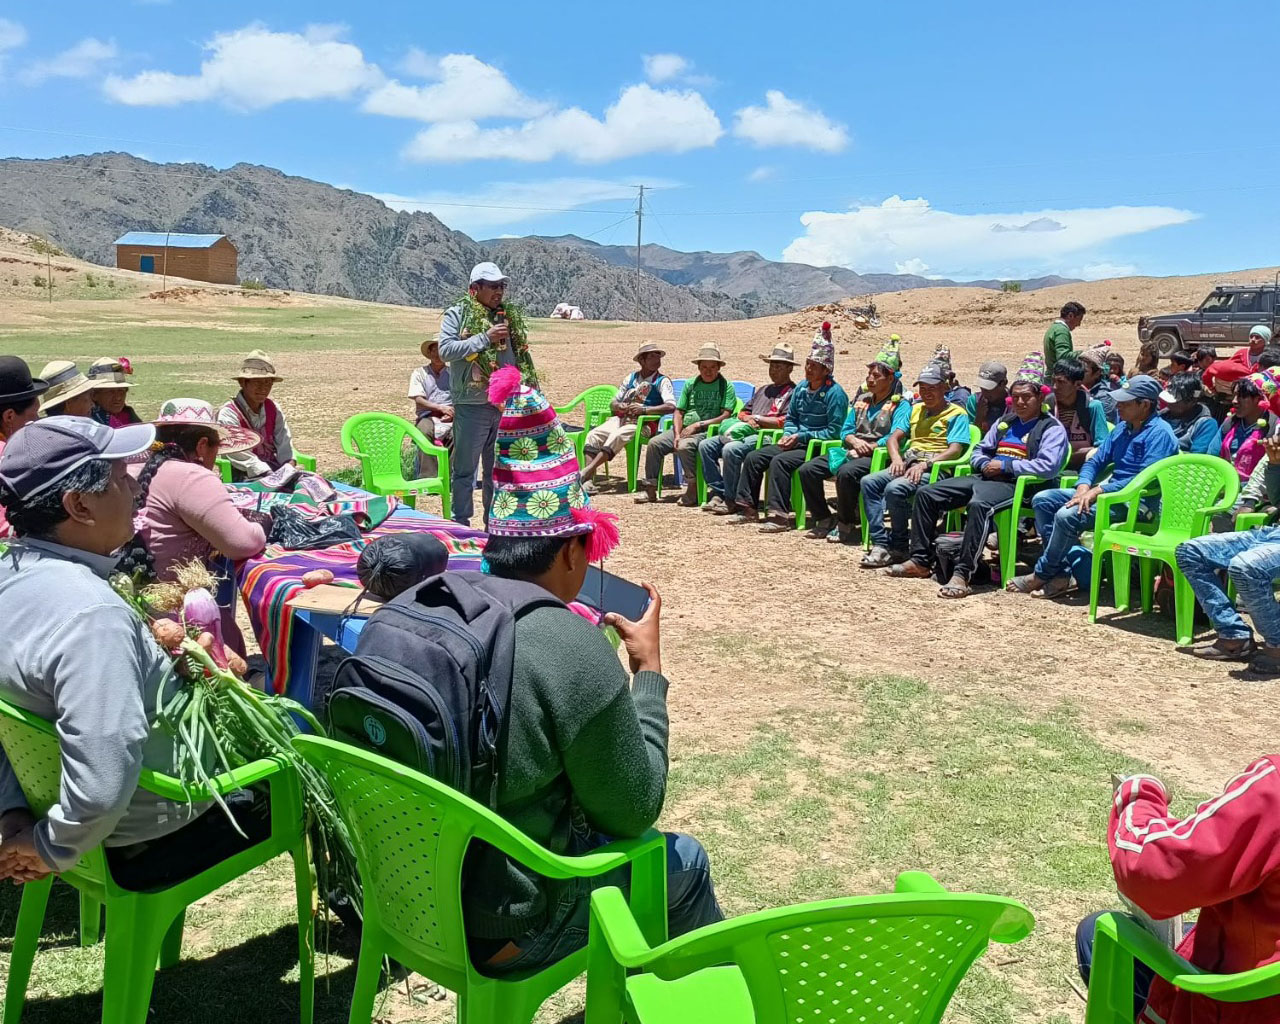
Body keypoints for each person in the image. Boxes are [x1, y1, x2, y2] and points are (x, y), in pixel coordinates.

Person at [470, 367, 722, 975]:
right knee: (683, 861)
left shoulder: (436, 605)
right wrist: (648, 673)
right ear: (571, 549)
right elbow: (634, 809)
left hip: (415, 893)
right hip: (511, 923)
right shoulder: (570, 645)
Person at [0, 418, 272, 892]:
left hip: (57, 812)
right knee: (312, 756)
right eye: (119, 479)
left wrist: (13, 813)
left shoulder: (11, 574)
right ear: (79, 505)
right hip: (152, 833)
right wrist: (50, 846)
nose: (134, 489)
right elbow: (103, 785)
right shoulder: (93, 616)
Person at [1076, 760, 1280, 1024]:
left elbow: (1151, 871)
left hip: (1231, 1005)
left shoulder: (1272, 792)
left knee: (1094, 933)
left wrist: (1138, 794)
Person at [886, 353, 1068, 597]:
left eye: (1026, 397)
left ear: (1041, 397)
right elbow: (980, 449)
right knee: (927, 493)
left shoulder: (1051, 428)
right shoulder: (1006, 422)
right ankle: (920, 560)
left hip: (1018, 485)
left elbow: (1048, 466)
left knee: (980, 505)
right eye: (1016, 397)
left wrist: (1006, 467)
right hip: (986, 476)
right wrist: (984, 463)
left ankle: (963, 574)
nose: (1020, 402)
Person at [1007, 374, 1179, 598]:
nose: (1118, 406)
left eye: (1125, 402)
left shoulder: (1160, 433)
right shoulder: (1122, 428)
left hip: (1137, 502)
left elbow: (1144, 478)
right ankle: (1060, 573)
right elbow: (1095, 461)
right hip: (1110, 494)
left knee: (1067, 515)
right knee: (1043, 500)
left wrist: (1099, 490)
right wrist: (1083, 486)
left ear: (1145, 405)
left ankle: (1042, 574)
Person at [125, 399, 266, 650]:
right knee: (228, 635)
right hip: (174, 620)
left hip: (129, 604)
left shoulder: (130, 467)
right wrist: (262, 523)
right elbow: (243, 543)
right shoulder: (191, 476)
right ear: (202, 446)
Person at [438, 261, 538, 527]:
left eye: (501, 286)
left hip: (505, 406)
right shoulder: (458, 314)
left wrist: (528, 386)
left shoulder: (506, 316)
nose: (499, 291)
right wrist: (485, 338)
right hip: (473, 404)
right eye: (493, 286)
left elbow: (519, 355)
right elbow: (445, 350)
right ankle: (461, 524)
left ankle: (493, 525)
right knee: (465, 470)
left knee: (498, 470)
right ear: (475, 288)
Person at [1175, 433, 1280, 672]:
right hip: (1273, 532)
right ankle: (1234, 635)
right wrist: (1275, 465)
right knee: (1190, 551)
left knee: (1246, 566)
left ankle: (1277, 643)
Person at [730, 328, 849, 531]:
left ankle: (779, 516)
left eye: (814, 366)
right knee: (754, 457)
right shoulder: (801, 389)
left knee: (780, 462)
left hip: (817, 447)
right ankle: (748, 508)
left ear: (826, 370)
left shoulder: (835, 394)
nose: (808, 369)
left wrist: (801, 436)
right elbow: (792, 418)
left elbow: (834, 431)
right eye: (808, 364)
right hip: (795, 441)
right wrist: (788, 434)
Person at [794, 337, 909, 542]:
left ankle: (845, 522)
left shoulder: (900, 405)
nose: (870, 379)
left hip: (877, 456)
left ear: (890, 378)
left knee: (846, 473)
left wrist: (871, 446)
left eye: (876, 376)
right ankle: (823, 517)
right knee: (808, 470)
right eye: (869, 375)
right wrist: (854, 441)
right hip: (852, 450)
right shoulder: (862, 400)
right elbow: (845, 430)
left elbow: (896, 436)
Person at [859, 362, 971, 568]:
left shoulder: (957, 414)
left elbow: (955, 450)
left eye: (932, 388)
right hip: (909, 463)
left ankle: (899, 545)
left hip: (936, 469)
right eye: (923, 388)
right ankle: (881, 543)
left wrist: (925, 464)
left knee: (895, 488)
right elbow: (893, 438)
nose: (926, 393)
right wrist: (896, 459)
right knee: (869, 482)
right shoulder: (915, 409)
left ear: (944, 388)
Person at [700, 342, 796, 513]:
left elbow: (785, 421)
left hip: (768, 436)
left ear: (790, 369)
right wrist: (748, 418)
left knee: (731, 449)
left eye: (778, 367)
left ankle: (731, 499)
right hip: (746, 430)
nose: (773, 371)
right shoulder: (763, 390)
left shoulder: (793, 393)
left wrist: (758, 419)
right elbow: (743, 412)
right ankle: (719, 491)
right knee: (706, 445)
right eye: (771, 366)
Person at [637, 344, 734, 506]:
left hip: (708, 431)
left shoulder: (726, 386)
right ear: (698, 367)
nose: (708, 371)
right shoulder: (691, 384)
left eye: (712, 367)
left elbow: (726, 415)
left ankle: (692, 485)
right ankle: (650, 488)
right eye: (704, 367)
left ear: (718, 368)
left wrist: (698, 425)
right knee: (655, 443)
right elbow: (679, 411)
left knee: (684, 446)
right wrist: (676, 434)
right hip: (683, 429)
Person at [579, 343, 676, 486]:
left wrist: (645, 410)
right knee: (594, 435)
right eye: (651, 357)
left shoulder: (662, 381)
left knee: (618, 435)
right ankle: (588, 481)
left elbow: (671, 406)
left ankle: (587, 471)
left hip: (644, 424)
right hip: (622, 419)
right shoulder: (631, 378)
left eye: (658, 357)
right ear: (641, 360)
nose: (657, 360)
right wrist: (619, 406)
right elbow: (613, 402)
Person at [218, 350, 297, 481]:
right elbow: (238, 453)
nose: (263, 388)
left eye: (268, 383)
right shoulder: (229, 414)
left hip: (274, 471)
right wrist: (269, 475)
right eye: (257, 382)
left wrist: (288, 467)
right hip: (242, 475)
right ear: (243, 382)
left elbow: (284, 444)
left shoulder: (273, 409)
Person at [0, 357, 47, 540]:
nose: (37, 421)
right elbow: (6, 531)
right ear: (9, 416)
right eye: (34, 414)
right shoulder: (10, 460)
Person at [1049, 356, 1110, 469]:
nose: (1055, 387)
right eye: (1053, 381)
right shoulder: (1048, 406)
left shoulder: (1092, 407)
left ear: (1077, 384)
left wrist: (1072, 456)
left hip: (1084, 467)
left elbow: (1103, 447)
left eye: (1061, 382)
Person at [1219, 371, 1279, 483]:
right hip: (1223, 483)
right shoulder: (1230, 423)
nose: (1234, 401)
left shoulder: (1275, 428)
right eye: (1234, 395)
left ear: (1259, 399)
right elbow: (1212, 456)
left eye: (1242, 396)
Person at [408, 337, 454, 478]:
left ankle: (451, 478)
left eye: (441, 351)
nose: (437, 354)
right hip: (427, 415)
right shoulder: (419, 373)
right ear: (429, 353)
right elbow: (418, 399)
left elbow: (460, 397)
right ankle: (428, 478)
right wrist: (441, 408)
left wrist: (452, 412)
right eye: (434, 350)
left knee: (458, 435)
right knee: (423, 432)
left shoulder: (453, 373)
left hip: (451, 415)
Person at [1158, 373, 1222, 455]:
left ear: (1192, 401)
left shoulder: (1206, 424)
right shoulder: (1160, 417)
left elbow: (1196, 457)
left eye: (1176, 401)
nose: (1169, 403)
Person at [1201, 324, 1273, 398]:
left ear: (1265, 340)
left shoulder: (1268, 357)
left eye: (1257, 337)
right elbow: (1229, 366)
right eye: (1251, 336)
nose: (1253, 339)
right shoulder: (1242, 353)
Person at [87, 357, 141, 427]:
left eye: (121, 391)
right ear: (94, 395)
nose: (118, 397)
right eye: (110, 392)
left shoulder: (129, 415)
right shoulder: (88, 421)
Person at [964, 361, 1008, 435]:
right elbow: (969, 435)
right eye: (982, 388)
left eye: (988, 389)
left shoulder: (1013, 403)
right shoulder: (975, 401)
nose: (984, 393)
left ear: (1003, 383)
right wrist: (979, 417)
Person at [1078, 345, 1119, 422]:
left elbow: (1104, 423)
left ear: (1097, 373)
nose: (1079, 373)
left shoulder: (1105, 396)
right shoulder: (1075, 387)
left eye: (1085, 371)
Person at [1044, 300, 1085, 369]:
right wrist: (1086, 353)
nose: (1079, 324)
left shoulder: (1055, 327)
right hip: (1056, 374)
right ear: (1071, 316)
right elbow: (1063, 356)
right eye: (1079, 320)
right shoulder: (1061, 330)